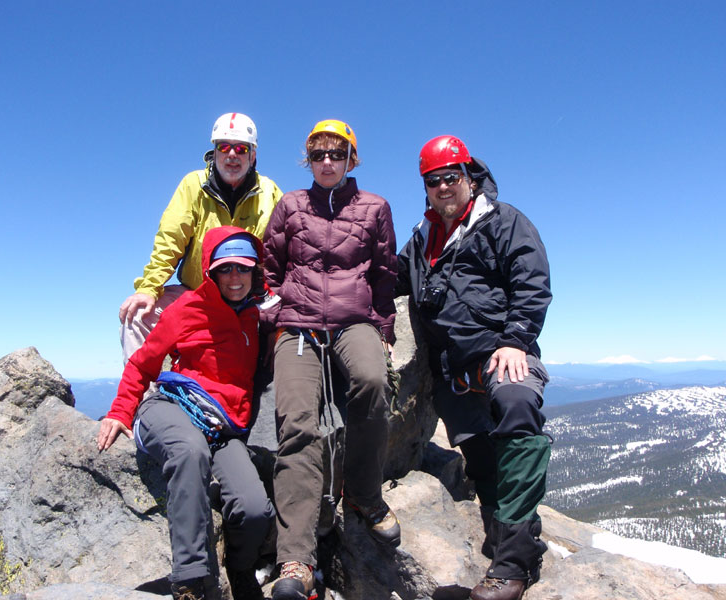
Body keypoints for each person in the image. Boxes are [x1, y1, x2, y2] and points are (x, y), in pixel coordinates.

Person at [396, 135, 552, 600]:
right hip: (451, 370)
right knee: (480, 455)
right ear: (425, 187)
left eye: (450, 177)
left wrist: (515, 340)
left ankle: (514, 565)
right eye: (433, 180)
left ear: (468, 177)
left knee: (517, 403)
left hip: (502, 352)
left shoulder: (503, 222)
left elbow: (532, 280)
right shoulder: (422, 240)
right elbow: (388, 278)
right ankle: (504, 532)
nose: (443, 187)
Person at [98, 226, 276, 600]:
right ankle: (191, 579)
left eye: (243, 269)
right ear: (211, 271)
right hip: (171, 408)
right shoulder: (188, 308)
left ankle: (241, 570)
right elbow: (142, 365)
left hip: (223, 428)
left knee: (255, 508)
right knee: (189, 452)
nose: (235, 277)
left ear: (254, 271)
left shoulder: (257, 316)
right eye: (225, 269)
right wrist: (119, 412)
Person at [262, 119, 400, 600]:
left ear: (351, 160)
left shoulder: (374, 207)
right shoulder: (290, 206)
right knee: (297, 423)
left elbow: (385, 273)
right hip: (297, 326)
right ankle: (296, 559)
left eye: (335, 155)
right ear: (308, 160)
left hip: (353, 320)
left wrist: (384, 330)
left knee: (371, 381)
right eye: (318, 155)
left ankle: (363, 495)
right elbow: (268, 267)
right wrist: (281, 310)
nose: (326, 162)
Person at [119, 112, 283, 362]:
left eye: (241, 148)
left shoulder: (270, 192)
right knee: (138, 315)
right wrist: (149, 289)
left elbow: (284, 252)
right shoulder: (193, 185)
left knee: (290, 326)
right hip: (196, 293)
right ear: (214, 151)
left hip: (250, 299)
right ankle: (147, 398)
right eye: (224, 147)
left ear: (253, 155)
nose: (232, 155)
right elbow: (169, 241)